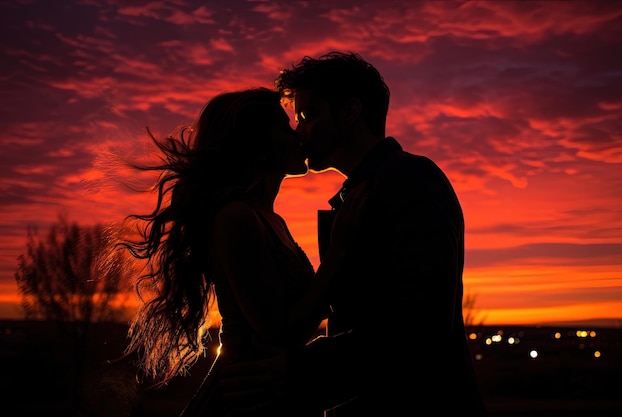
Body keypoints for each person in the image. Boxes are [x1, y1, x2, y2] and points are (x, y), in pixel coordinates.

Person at [221, 52, 489, 416]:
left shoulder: (411, 180)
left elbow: (421, 325)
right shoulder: (361, 193)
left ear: (349, 112)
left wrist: (302, 372)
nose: (300, 132)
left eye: (308, 115)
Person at [118, 87, 334, 416]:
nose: (298, 135)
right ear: (258, 142)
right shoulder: (237, 217)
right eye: (283, 126)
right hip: (244, 398)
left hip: (269, 390)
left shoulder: (269, 218)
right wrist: (339, 264)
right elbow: (274, 331)